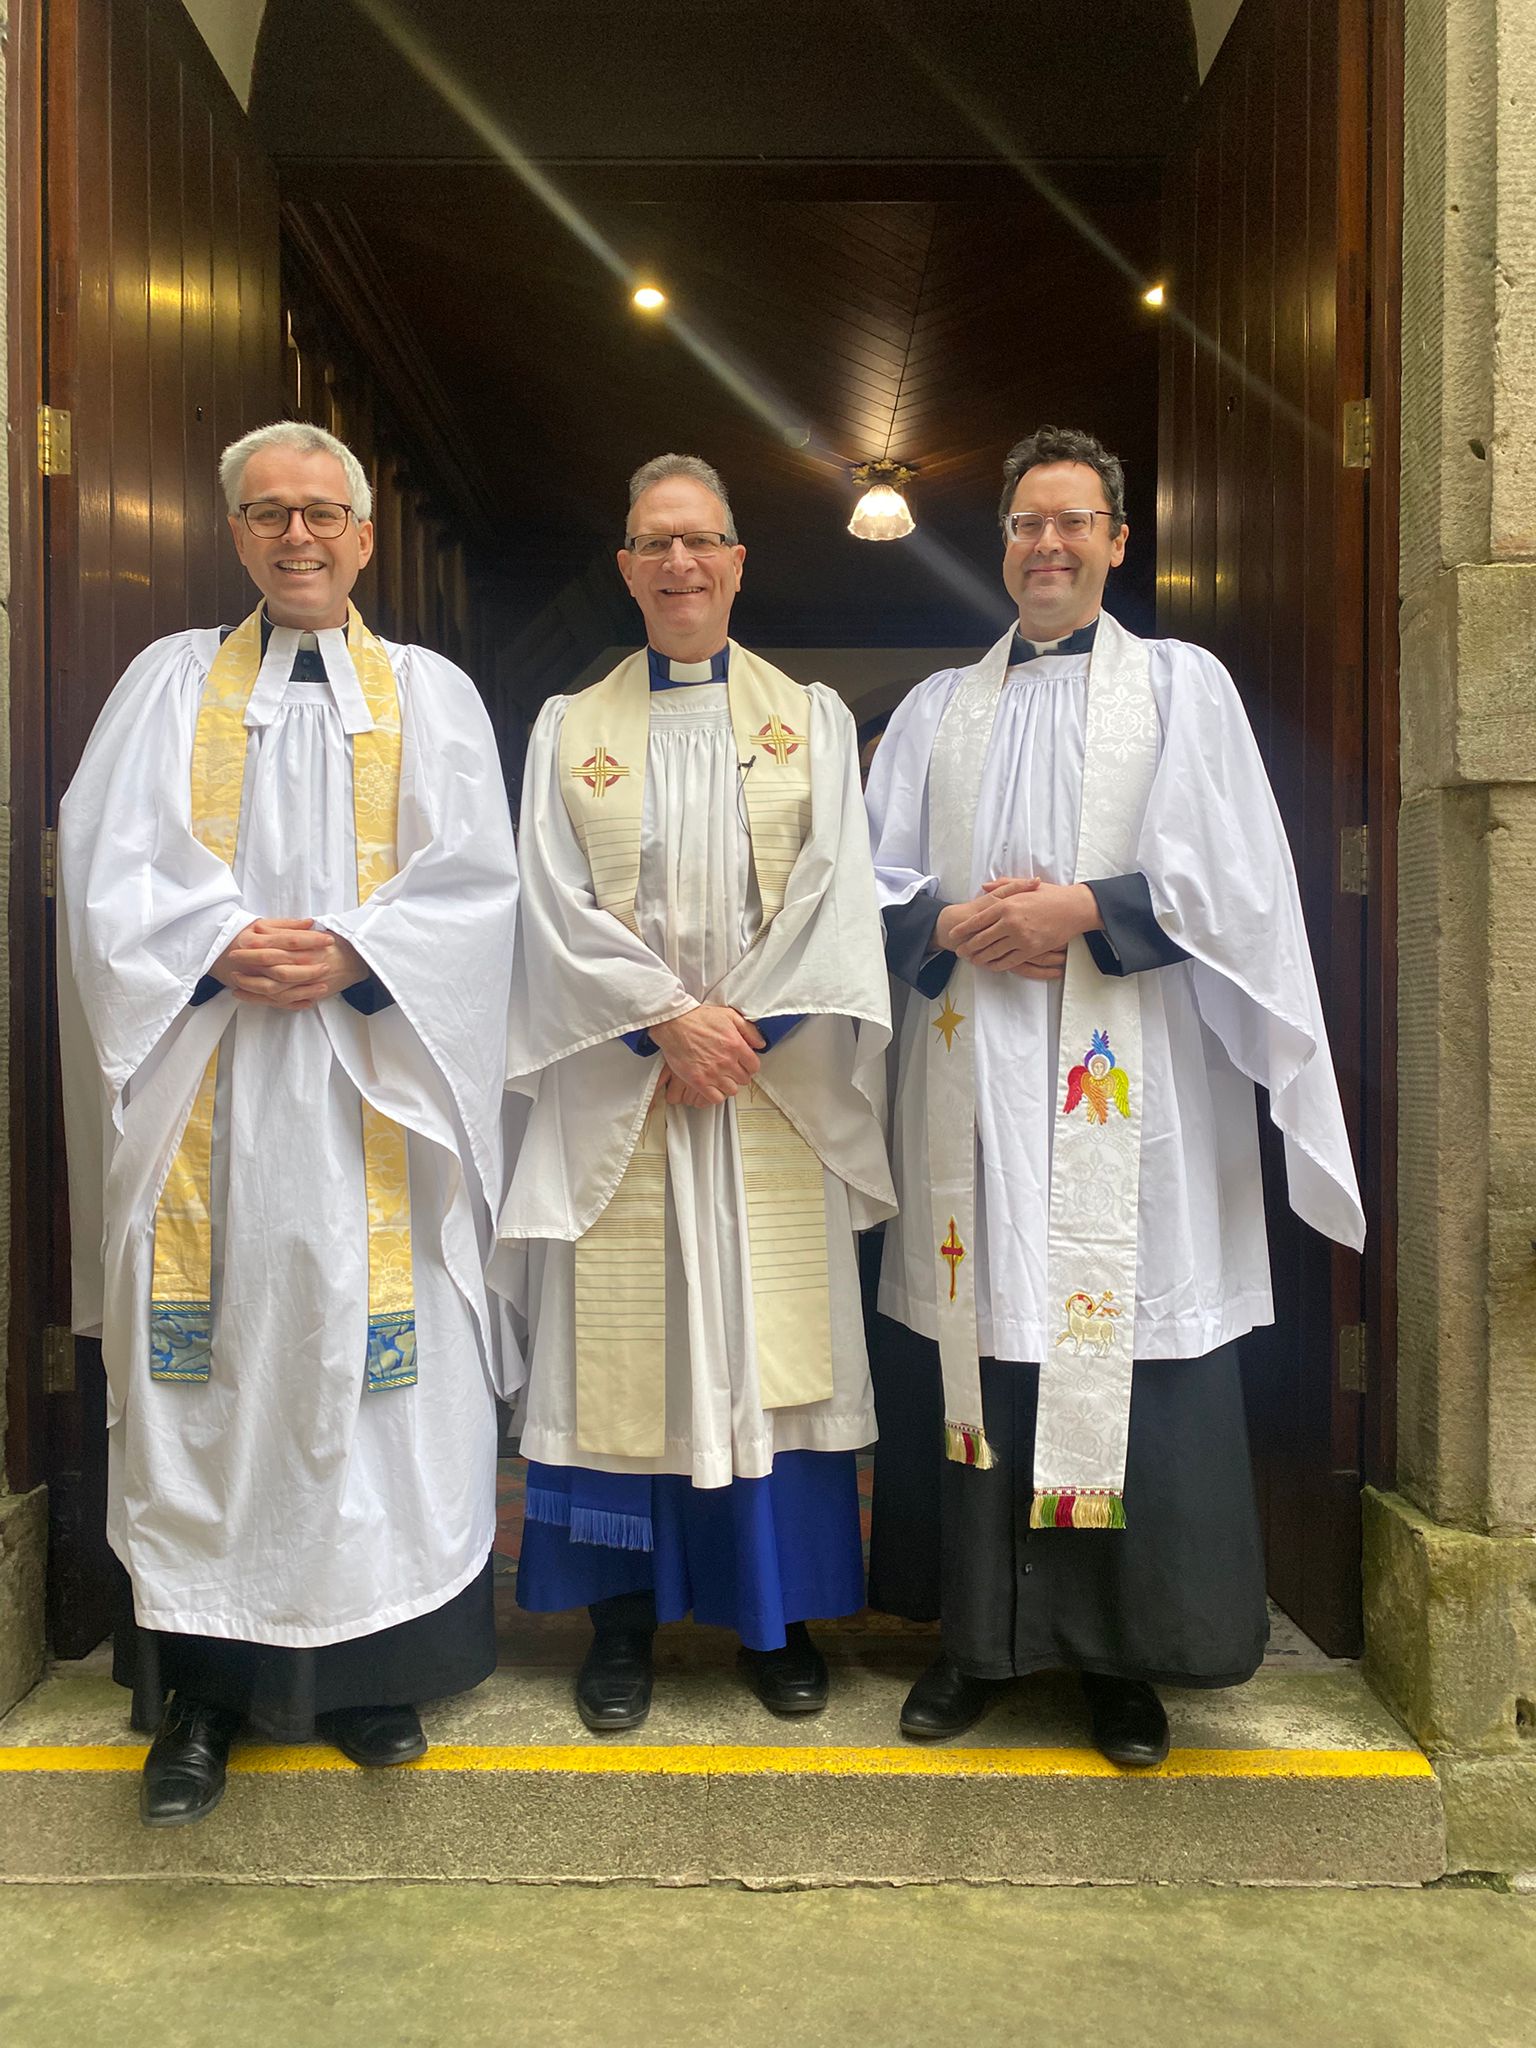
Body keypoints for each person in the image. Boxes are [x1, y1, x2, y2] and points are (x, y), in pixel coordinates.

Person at [864, 425, 1364, 1763]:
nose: (1048, 545)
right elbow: (868, 882)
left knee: (1118, 1348)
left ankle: (1120, 1666)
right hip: (972, 1092)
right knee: (986, 1344)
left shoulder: (1182, 689)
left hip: (1124, 1093)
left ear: (1117, 542)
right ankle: (977, 1648)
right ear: (1004, 544)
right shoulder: (933, 711)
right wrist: (957, 917)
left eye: (1074, 522)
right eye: (1027, 523)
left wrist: (1089, 910)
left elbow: (1242, 880)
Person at [58, 421, 520, 1825]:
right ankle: (204, 1695)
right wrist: (210, 943)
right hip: (212, 1090)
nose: (298, 537)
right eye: (269, 515)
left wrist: (363, 950)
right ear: (238, 535)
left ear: (365, 538)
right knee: (218, 1382)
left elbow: (480, 887)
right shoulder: (167, 685)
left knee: (377, 1384)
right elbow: (104, 862)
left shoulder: (432, 696)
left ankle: (375, 1676)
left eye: (323, 513)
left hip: (371, 1084)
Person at [494, 453, 893, 1730]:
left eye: (701, 542)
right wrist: (665, 1024)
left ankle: (774, 1625)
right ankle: (620, 1627)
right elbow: (546, 907)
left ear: (736, 561)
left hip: (767, 1087)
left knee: (767, 1355)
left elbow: (840, 888)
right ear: (625, 567)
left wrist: (743, 1029)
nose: (679, 565)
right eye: (654, 544)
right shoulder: (567, 728)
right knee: (630, 1361)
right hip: (633, 1090)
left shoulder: (813, 719)